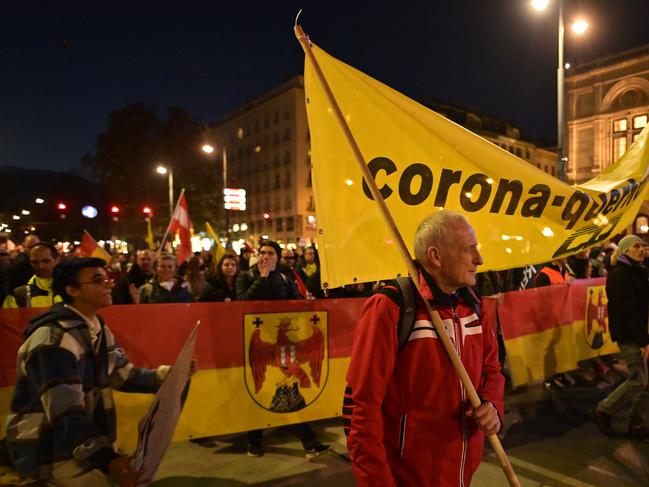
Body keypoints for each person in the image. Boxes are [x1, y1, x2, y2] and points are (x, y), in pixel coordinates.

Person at [343, 210, 504, 487]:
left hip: (462, 474)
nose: (479, 259)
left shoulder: (475, 305)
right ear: (436, 256)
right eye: (469, 249)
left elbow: (492, 370)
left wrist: (492, 406)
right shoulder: (390, 307)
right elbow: (361, 409)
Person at [3, 257, 181, 486]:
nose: (109, 284)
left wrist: (168, 376)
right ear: (72, 290)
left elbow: (122, 375)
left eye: (107, 278)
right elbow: (66, 414)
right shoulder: (53, 341)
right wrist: (108, 460)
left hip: (81, 444)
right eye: (98, 280)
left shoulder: (96, 326)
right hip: (50, 452)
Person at [236, 240, 328, 458]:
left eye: (270, 253)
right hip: (254, 343)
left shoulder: (285, 279)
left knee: (287, 394)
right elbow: (242, 302)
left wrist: (306, 304)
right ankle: (254, 441)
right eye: (262, 253)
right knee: (259, 394)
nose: (265, 257)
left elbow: (293, 304)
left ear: (277, 258)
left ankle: (309, 442)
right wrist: (262, 278)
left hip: (284, 348)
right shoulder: (246, 277)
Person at [594, 235, 649, 440]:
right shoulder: (620, 275)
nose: (642, 249)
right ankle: (603, 409)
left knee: (646, 382)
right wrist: (644, 340)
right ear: (625, 250)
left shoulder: (639, 271)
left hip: (640, 333)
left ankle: (638, 424)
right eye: (637, 246)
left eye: (643, 246)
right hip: (630, 335)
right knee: (638, 380)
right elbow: (629, 311)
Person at [3, 243, 62, 308]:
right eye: (35, 262)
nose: (40, 266)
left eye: (46, 261)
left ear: (57, 260)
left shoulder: (71, 290)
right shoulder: (18, 295)